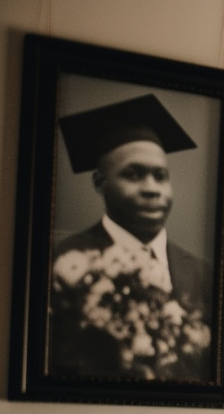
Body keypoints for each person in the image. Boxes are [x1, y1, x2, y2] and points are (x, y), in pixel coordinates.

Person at [50, 94, 214, 381]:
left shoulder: (203, 274)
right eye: (133, 175)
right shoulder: (65, 262)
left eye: (160, 176)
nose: (152, 189)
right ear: (101, 183)